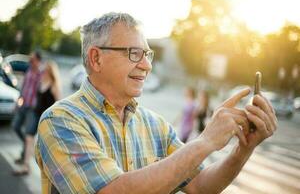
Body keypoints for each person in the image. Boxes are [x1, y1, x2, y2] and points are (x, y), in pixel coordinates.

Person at [35, 12, 278, 194]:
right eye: (134, 53)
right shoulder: (60, 121)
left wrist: (244, 148)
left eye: (148, 54)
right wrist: (205, 141)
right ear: (96, 58)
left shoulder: (155, 125)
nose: (147, 65)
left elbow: (202, 186)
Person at [13, 61, 60, 175]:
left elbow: (58, 104)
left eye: (45, 70)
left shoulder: (54, 86)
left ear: (50, 72)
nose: (43, 72)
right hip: (35, 114)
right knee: (29, 137)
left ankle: (53, 172)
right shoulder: (41, 82)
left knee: (47, 145)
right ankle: (26, 166)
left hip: (47, 118)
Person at [12, 51, 42, 164]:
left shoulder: (41, 74)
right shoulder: (28, 71)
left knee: (28, 133)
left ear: (38, 61)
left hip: (32, 109)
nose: (30, 61)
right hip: (23, 105)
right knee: (15, 126)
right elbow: (23, 87)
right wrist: (17, 103)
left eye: (32, 59)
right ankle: (27, 145)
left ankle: (24, 155)